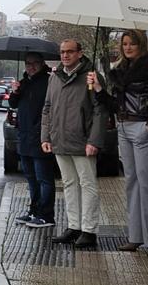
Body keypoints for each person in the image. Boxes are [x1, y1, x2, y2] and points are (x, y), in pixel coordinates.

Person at [88, 30, 148, 256]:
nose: (127, 47)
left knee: (147, 184)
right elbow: (115, 105)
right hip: (124, 128)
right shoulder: (119, 71)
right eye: (124, 43)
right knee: (131, 183)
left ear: (141, 44)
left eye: (132, 43)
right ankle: (136, 236)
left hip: (145, 128)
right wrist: (98, 89)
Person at [41, 39, 108, 249]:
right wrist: (45, 136)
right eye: (62, 52)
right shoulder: (55, 77)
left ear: (80, 53)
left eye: (70, 52)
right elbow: (47, 107)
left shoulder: (92, 77)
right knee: (68, 184)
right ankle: (74, 226)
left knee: (87, 184)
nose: (65, 56)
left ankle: (89, 230)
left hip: (83, 140)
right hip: (60, 139)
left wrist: (94, 140)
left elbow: (100, 110)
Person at [9, 52, 55, 229]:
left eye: (35, 63)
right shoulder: (24, 83)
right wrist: (15, 91)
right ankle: (34, 211)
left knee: (44, 178)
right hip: (24, 137)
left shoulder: (48, 82)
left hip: (41, 137)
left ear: (42, 63)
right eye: (28, 63)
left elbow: (50, 109)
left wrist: (42, 132)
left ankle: (46, 215)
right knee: (31, 178)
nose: (31, 66)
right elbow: (13, 104)